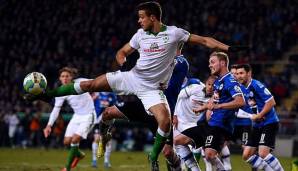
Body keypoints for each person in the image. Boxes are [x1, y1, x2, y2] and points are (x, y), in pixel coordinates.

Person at [25, 2, 246, 170]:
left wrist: (228, 48)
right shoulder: (140, 35)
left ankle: (157, 158)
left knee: (168, 143)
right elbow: (121, 52)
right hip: (133, 79)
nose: (138, 21)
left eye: (141, 17)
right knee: (96, 92)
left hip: (153, 94)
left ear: (153, 17)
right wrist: (125, 62)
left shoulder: (176, 40)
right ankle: (52, 98)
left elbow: (205, 41)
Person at [98, 54, 190, 171]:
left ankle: (177, 165)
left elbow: (164, 66)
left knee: (167, 153)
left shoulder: (182, 62)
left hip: (163, 113)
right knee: (108, 112)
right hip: (144, 104)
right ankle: (104, 136)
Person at [195, 52, 245, 170]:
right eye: (209, 63)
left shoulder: (230, 81)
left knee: (209, 154)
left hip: (221, 124)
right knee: (209, 155)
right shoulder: (218, 81)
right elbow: (214, 99)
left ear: (222, 63)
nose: (209, 65)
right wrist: (203, 107)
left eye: (212, 62)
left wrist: (220, 106)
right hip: (215, 122)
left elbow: (240, 101)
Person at [43, 67, 96, 171]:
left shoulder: (81, 82)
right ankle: (79, 155)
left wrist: (96, 94)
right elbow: (56, 110)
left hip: (89, 115)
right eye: (63, 76)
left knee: (75, 139)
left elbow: (96, 83)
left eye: (67, 76)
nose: (65, 78)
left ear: (71, 77)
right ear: (60, 78)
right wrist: (49, 125)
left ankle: (66, 168)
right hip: (76, 116)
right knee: (67, 142)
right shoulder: (60, 92)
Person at [236, 64, 284, 171]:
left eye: (241, 73)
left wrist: (260, 115)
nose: (239, 76)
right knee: (246, 155)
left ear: (249, 73)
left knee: (263, 154)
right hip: (257, 125)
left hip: (269, 123)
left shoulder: (256, 85)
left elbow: (271, 102)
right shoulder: (243, 89)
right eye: (237, 73)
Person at [173, 76, 215, 171]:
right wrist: (175, 115)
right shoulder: (195, 88)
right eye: (209, 84)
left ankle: (192, 168)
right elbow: (179, 96)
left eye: (213, 86)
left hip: (194, 124)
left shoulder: (214, 98)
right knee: (173, 148)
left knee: (198, 149)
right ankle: (182, 168)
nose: (210, 87)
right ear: (205, 83)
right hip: (179, 120)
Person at [91, 92, 118, 168]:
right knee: (96, 139)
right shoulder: (97, 94)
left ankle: (106, 161)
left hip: (108, 121)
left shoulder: (112, 95)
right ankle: (94, 160)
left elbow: (115, 108)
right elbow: (89, 103)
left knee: (107, 141)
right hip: (97, 120)